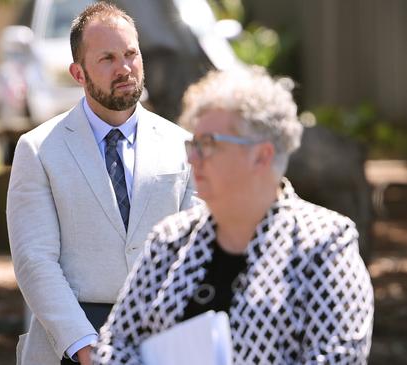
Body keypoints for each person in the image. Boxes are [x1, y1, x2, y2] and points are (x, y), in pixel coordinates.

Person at [93, 66, 374, 364]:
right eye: (193, 143)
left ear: (262, 156)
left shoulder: (325, 244)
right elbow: (115, 344)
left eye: (208, 144)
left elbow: (338, 359)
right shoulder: (169, 239)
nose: (192, 157)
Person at [6, 3, 194, 365]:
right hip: (69, 343)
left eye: (131, 54)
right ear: (78, 73)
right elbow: (35, 260)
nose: (124, 68)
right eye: (107, 58)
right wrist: (84, 346)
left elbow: (197, 249)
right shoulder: (39, 148)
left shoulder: (184, 145)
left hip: (164, 340)